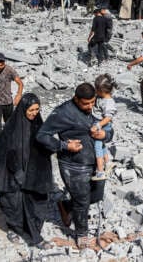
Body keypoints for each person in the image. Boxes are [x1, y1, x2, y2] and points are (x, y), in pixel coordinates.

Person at [37, 83, 113, 249]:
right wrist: (64, 146)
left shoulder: (96, 108)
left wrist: (105, 134)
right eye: (86, 103)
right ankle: (81, 235)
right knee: (82, 201)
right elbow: (42, 135)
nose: (90, 106)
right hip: (73, 166)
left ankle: (65, 205)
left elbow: (108, 126)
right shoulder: (62, 113)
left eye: (93, 102)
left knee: (96, 195)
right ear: (76, 98)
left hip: (95, 163)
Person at [0, 93, 53, 249]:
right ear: (23, 109)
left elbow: (45, 145)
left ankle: (33, 234)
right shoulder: (12, 128)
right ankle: (17, 230)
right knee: (13, 204)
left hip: (31, 173)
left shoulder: (38, 124)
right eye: (31, 110)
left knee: (35, 202)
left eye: (37, 109)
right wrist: (18, 172)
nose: (34, 113)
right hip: (13, 174)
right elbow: (7, 153)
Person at [91, 74, 117, 180]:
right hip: (99, 124)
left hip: (102, 126)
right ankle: (108, 163)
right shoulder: (101, 97)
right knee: (102, 146)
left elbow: (108, 118)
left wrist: (98, 125)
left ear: (102, 90)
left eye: (96, 89)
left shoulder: (108, 102)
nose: (95, 91)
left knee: (97, 147)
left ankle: (100, 171)